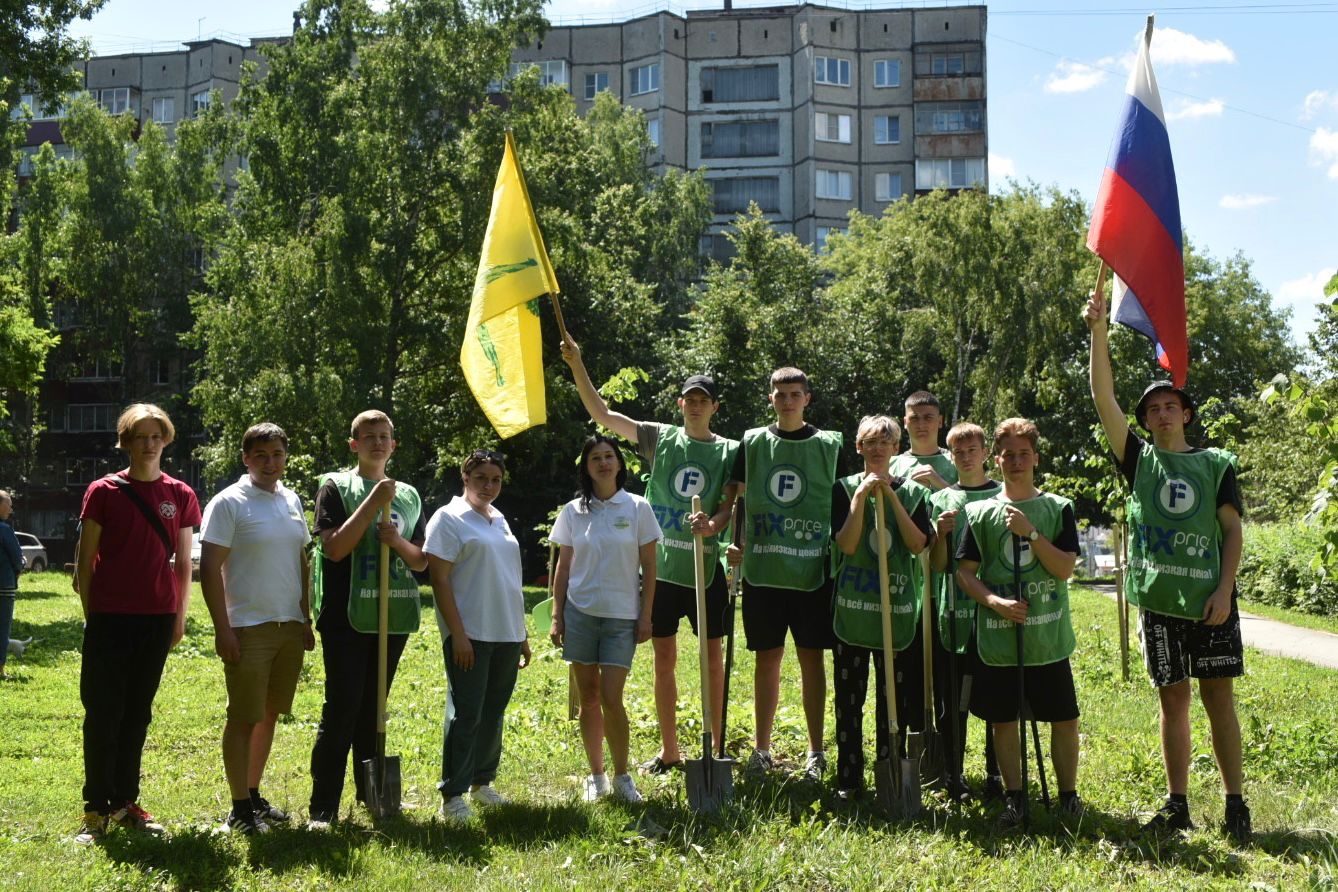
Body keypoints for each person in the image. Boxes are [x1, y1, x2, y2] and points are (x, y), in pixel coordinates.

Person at [1086, 287, 1251, 843]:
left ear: (1185, 413)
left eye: (1169, 406)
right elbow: (1103, 398)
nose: (1160, 414)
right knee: (1173, 701)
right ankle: (1178, 804)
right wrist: (1097, 330)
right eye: (1152, 409)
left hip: (1211, 602)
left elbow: (1232, 530)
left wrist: (1225, 591)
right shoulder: (1138, 461)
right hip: (1159, 604)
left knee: (1218, 700)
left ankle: (1236, 805)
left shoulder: (1213, 464)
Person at [560, 335, 738, 773]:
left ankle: (714, 749)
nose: (696, 406)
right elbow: (601, 413)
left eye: (704, 400)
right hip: (664, 575)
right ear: (680, 404)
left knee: (713, 660)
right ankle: (671, 749)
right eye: (689, 400)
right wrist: (577, 363)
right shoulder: (659, 439)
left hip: (704, 572)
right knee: (664, 661)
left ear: (714, 407)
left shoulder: (732, 450)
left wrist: (714, 525)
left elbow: (730, 503)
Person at [73, 404, 201, 844]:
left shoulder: (180, 494)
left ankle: (126, 803)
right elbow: (83, 567)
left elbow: (184, 564)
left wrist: (179, 619)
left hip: (157, 620)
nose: (148, 444)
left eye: (155, 436)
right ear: (125, 442)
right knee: (103, 713)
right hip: (110, 620)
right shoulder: (104, 491)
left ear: (166, 440)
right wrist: (97, 617)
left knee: (137, 715)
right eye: (139, 436)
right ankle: (95, 811)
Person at [955, 418, 1084, 829]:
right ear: (997, 459)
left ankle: (1068, 797)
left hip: (1047, 636)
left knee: (1065, 718)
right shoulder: (977, 513)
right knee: (1003, 720)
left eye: (1023, 453)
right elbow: (965, 572)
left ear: (1036, 458)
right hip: (998, 640)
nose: (1015, 461)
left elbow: (1064, 569)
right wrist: (994, 601)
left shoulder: (1057, 508)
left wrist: (1031, 533)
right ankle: (1015, 798)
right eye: (1007, 454)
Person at [307, 410, 427, 828]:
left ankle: (371, 796)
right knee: (342, 709)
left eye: (385, 437)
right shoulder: (335, 487)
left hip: (390, 614)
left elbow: (421, 560)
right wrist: (374, 501)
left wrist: (395, 539)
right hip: (346, 615)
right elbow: (335, 549)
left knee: (373, 709)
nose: (378, 442)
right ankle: (323, 808)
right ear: (353, 444)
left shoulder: (408, 495)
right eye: (368, 436)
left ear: (394, 445)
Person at [727, 367, 842, 780]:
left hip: (813, 572)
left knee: (812, 660)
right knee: (767, 659)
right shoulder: (753, 441)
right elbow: (736, 498)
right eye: (781, 394)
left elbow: (846, 499)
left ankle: (815, 751)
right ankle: (761, 748)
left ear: (807, 398)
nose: (788, 401)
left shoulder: (829, 445)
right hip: (763, 572)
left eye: (796, 394)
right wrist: (732, 542)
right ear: (771, 398)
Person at [199, 423, 315, 835]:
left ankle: (252, 794)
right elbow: (209, 568)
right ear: (246, 459)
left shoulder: (291, 500)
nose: (270, 463)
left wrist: (305, 617)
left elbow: (301, 562)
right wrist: (222, 628)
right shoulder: (229, 502)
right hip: (247, 627)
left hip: (288, 626)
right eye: (261, 455)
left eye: (278, 454)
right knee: (244, 718)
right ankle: (238, 810)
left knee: (268, 715)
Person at [549, 435, 661, 803]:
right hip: (579, 614)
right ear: (586, 466)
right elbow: (563, 567)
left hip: (621, 617)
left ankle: (622, 775)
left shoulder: (638, 507)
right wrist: (556, 615)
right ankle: (596, 776)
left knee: (613, 697)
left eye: (609, 456)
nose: (603, 462)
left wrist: (646, 615)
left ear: (619, 463)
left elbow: (649, 566)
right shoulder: (573, 511)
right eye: (595, 457)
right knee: (589, 698)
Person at [425, 449, 532, 824]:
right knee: (466, 713)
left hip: (505, 632)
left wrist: (521, 633)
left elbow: (509, 578)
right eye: (481, 478)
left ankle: (481, 783)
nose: (489, 486)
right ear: (465, 477)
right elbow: (438, 579)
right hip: (470, 633)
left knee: (494, 712)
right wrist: (458, 635)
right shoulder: (448, 518)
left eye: (496, 480)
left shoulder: (499, 519)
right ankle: (452, 794)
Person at [830, 416, 932, 798]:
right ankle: (850, 779)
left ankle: (890, 772)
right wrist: (861, 499)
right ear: (859, 448)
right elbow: (848, 544)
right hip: (854, 611)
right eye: (869, 443)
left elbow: (918, 543)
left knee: (894, 701)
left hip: (897, 614)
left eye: (884, 442)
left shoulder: (914, 494)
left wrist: (890, 497)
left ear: (895, 448)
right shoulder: (843, 490)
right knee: (849, 699)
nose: (876, 449)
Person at [928, 422, 1003, 800]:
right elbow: (939, 565)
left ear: (986, 453)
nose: (966, 456)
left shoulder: (1004, 496)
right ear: (950, 456)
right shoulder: (942, 501)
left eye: (973, 449)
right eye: (958, 452)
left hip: (993, 618)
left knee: (994, 701)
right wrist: (940, 535)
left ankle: (996, 774)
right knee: (952, 701)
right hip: (952, 617)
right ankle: (952, 774)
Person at [888, 391, 957, 493]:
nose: (921, 425)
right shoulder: (890, 465)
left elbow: (973, 506)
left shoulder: (957, 462)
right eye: (914, 418)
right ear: (905, 422)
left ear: (940, 421)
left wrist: (939, 482)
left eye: (928, 418)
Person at [0, 490, 23, 680]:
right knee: (2, 627)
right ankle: (0, 669)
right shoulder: (4, 529)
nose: (11, 508)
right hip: (3, 586)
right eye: (9, 504)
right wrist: (20, 567)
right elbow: (17, 557)